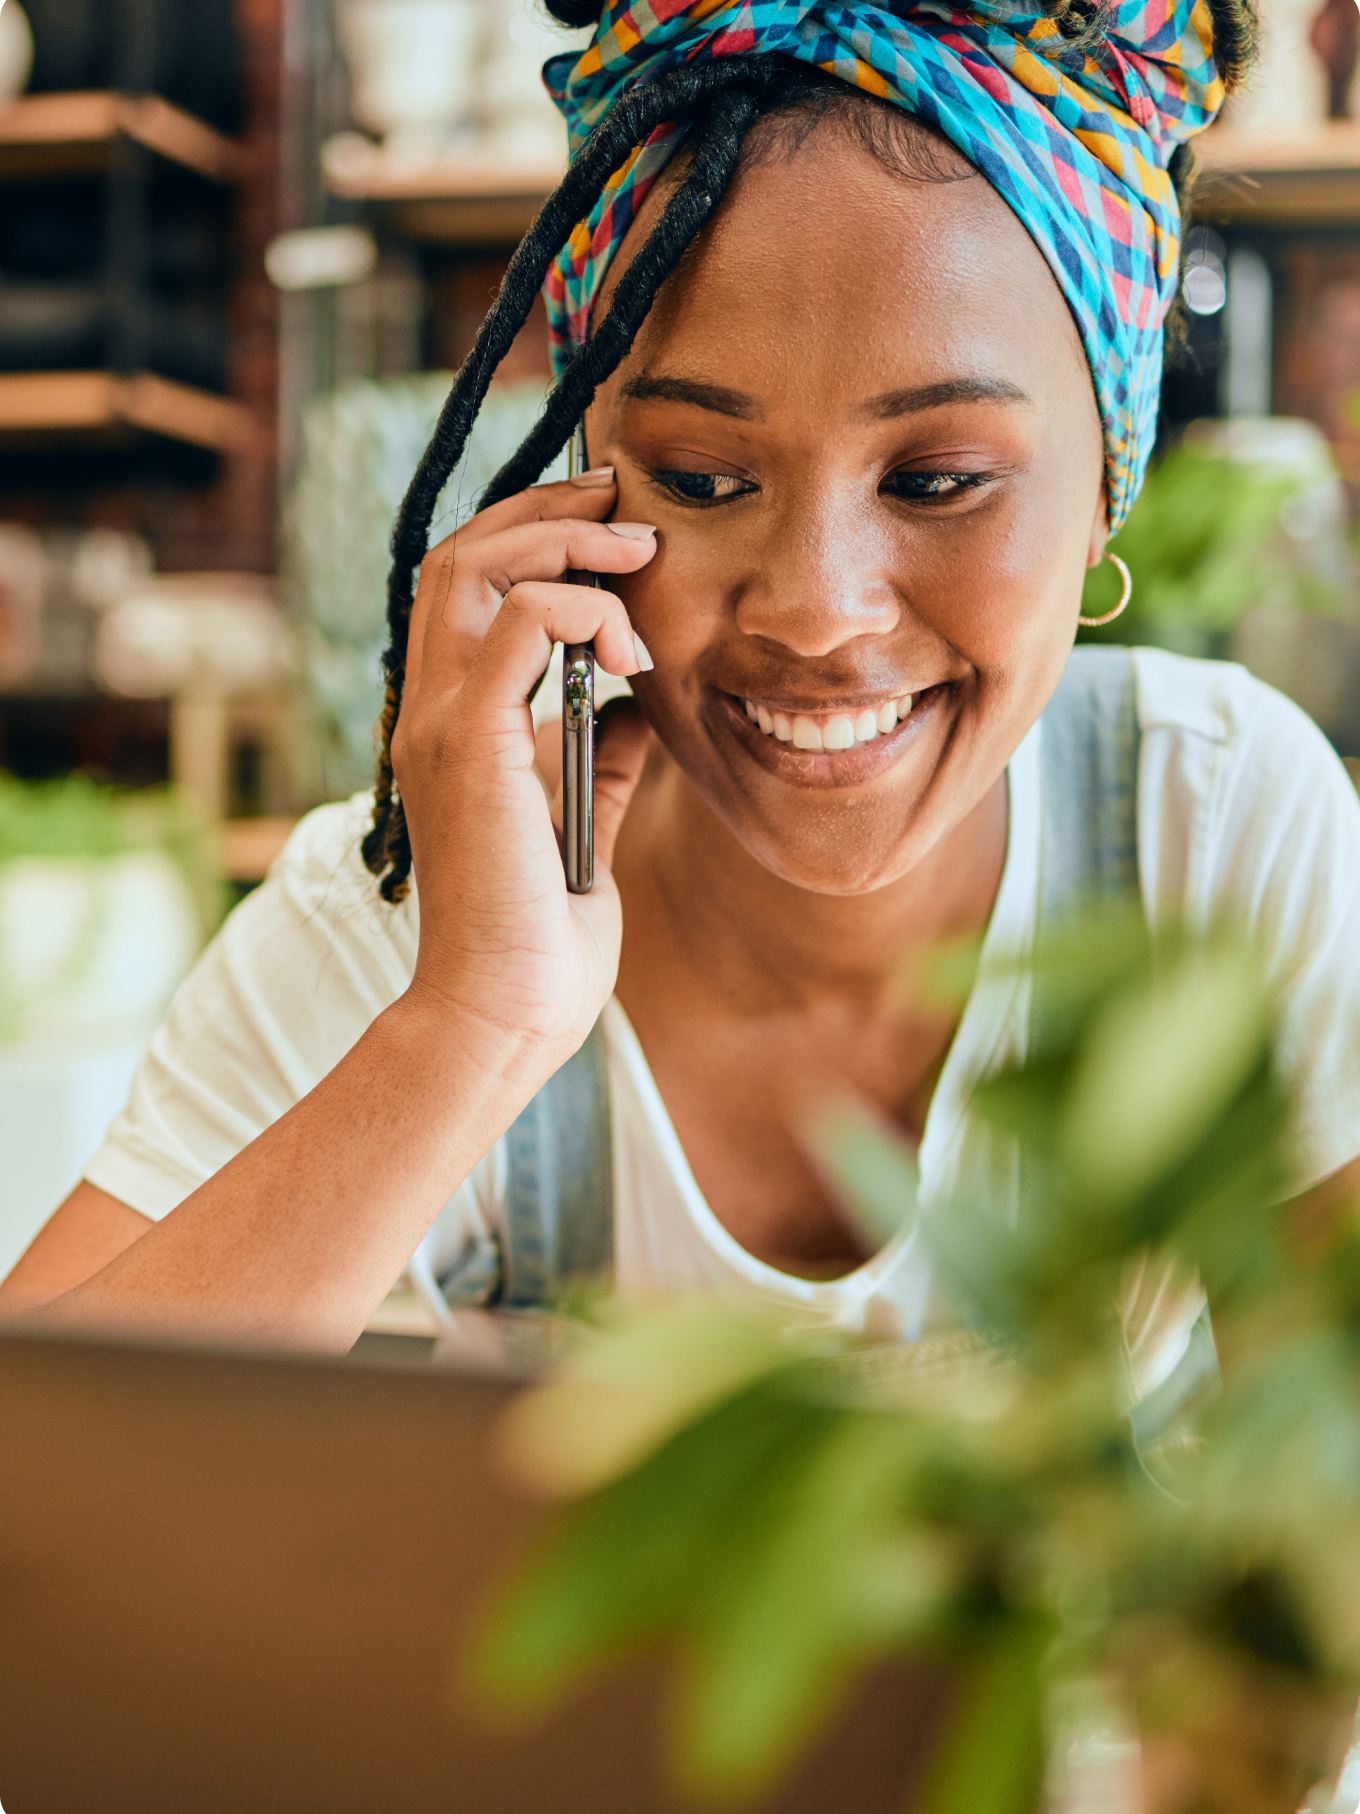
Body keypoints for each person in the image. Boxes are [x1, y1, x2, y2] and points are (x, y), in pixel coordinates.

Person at [4, 0, 1359, 1363]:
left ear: (1103, 492)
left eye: (937, 481)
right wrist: (473, 1019)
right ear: (583, 477)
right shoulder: (419, 912)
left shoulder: (1214, 826)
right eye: (704, 480)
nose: (819, 610)